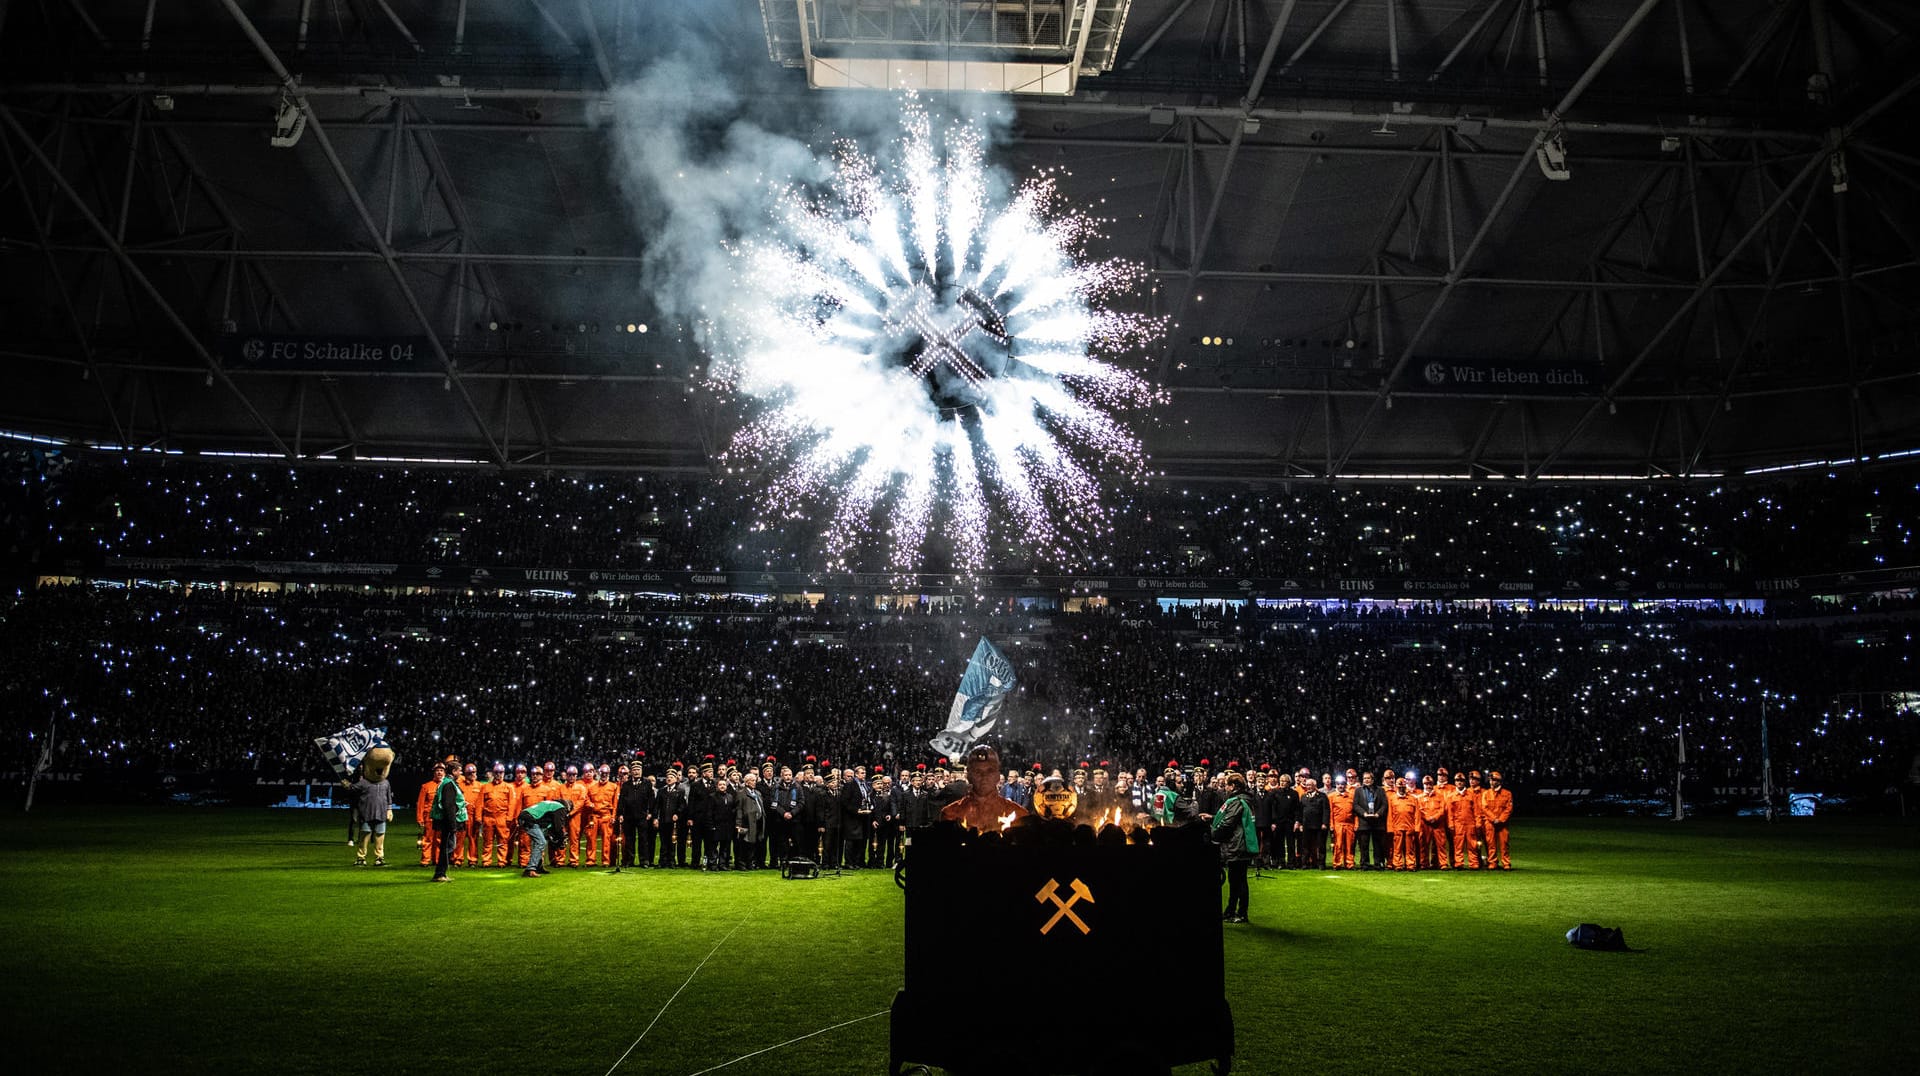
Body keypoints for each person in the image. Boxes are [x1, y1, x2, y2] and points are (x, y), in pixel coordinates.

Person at [938, 744, 1029, 832]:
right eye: (978, 771)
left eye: (990, 771)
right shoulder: (951, 814)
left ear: (997, 775)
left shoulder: (1018, 815)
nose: (984, 776)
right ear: (969, 776)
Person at [1212, 772, 1258, 923]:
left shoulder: (1236, 801)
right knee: (1236, 879)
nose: (1225, 787)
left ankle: (1241, 913)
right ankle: (1231, 910)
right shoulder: (1244, 800)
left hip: (1237, 845)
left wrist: (1214, 833)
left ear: (1233, 786)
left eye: (1227, 785)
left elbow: (1228, 822)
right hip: (1240, 844)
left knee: (1239, 880)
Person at [343, 765, 394, 867]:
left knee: (380, 836)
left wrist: (389, 810)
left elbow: (388, 797)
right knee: (364, 836)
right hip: (366, 813)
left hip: (381, 813)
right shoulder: (364, 782)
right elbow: (353, 788)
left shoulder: (385, 782)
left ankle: (379, 857)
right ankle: (361, 857)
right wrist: (346, 784)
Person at [429, 756, 466, 883]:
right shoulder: (449, 785)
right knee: (447, 847)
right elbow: (449, 805)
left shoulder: (447, 783)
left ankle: (441, 872)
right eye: (459, 771)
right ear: (454, 771)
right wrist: (453, 825)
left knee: (449, 846)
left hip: (446, 821)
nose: (461, 773)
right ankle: (440, 873)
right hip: (448, 821)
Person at [518, 796, 573, 877]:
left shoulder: (551, 804)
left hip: (526, 817)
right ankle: (530, 869)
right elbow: (558, 826)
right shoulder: (560, 808)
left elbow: (545, 822)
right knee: (541, 842)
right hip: (530, 819)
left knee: (537, 842)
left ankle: (538, 866)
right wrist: (561, 838)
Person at [616, 762, 655, 868]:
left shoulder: (647, 783)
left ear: (641, 771)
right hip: (629, 816)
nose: (636, 772)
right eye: (634, 770)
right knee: (629, 839)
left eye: (638, 769)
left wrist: (651, 813)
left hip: (642, 816)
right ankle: (629, 860)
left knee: (643, 839)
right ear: (631, 772)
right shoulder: (626, 785)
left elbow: (651, 799)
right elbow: (621, 801)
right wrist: (620, 813)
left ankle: (644, 861)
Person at [1352, 770, 1388, 871]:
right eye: (1364, 778)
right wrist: (1364, 813)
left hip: (1377, 821)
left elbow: (1384, 805)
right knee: (1364, 845)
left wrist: (1378, 814)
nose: (1366, 780)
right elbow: (1355, 805)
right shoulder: (1358, 790)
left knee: (1377, 845)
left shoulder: (1380, 790)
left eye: (1368, 778)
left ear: (1372, 779)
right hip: (1364, 821)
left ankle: (1378, 863)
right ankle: (1365, 864)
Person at [1481, 771, 1514, 870]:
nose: (1491, 782)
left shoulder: (1507, 794)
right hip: (1490, 822)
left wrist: (1500, 819)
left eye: (1494, 780)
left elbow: (1509, 808)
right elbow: (1484, 808)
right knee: (1491, 843)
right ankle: (1492, 862)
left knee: (1504, 844)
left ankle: (1506, 863)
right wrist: (1494, 819)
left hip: (1502, 823)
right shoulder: (1486, 793)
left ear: (1499, 781)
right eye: (1491, 780)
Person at [735, 772, 766, 870]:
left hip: (758, 822)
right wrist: (738, 824)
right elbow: (739, 809)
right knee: (744, 844)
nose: (754, 782)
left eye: (755, 780)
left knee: (753, 844)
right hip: (746, 822)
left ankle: (750, 863)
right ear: (747, 782)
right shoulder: (741, 793)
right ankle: (741, 864)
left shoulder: (758, 793)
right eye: (752, 781)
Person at [1296, 777, 1329, 869]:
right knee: (1305, 845)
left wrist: (1324, 823)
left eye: (1310, 785)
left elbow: (1326, 811)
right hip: (1306, 825)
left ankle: (1321, 863)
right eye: (1307, 785)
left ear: (1315, 785)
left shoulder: (1322, 796)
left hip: (1319, 825)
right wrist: (1300, 824)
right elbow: (1300, 811)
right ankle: (1305, 863)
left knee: (1321, 845)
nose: (1308, 787)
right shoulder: (1303, 796)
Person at [1328, 774, 1356, 869]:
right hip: (1337, 824)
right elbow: (1330, 812)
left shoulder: (1351, 796)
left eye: (1342, 784)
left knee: (1349, 845)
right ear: (1336, 784)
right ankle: (1337, 863)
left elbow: (1355, 812)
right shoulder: (1331, 796)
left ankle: (1349, 863)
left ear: (1345, 784)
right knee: (1338, 845)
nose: (1341, 786)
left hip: (1350, 824)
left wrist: (1356, 824)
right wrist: (1331, 824)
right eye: (1338, 784)